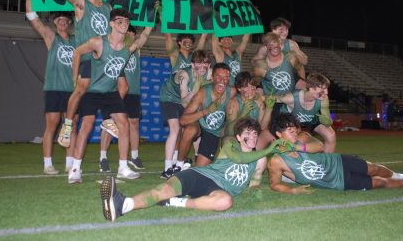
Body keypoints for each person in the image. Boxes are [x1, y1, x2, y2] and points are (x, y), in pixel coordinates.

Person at [100, 117, 294, 221]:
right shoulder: (230, 145)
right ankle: (122, 204)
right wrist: (268, 149)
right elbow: (240, 158)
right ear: (238, 137)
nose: (252, 137)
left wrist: (255, 192)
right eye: (247, 133)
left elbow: (255, 183)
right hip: (199, 175)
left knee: (225, 202)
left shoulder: (259, 161)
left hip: (219, 189)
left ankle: (175, 203)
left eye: (255, 133)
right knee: (163, 190)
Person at [67, 8, 152, 183]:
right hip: (93, 91)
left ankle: (123, 167)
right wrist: (74, 78)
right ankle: (75, 169)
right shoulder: (98, 42)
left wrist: (153, 15)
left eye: (126, 22)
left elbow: (143, 37)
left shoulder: (129, 48)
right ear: (111, 23)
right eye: (119, 21)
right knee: (86, 126)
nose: (123, 24)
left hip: (111, 92)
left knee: (124, 124)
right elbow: (77, 52)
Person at [267, 113, 403, 194]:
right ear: (278, 134)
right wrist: (293, 191)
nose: (295, 133)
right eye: (290, 131)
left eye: (295, 129)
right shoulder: (276, 160)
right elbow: (274, 184)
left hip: (338, 161)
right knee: (378, 182)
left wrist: (297, 147)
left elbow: (319, 146)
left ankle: (400, 174)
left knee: (374, 168)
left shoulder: (302, 138)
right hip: (336, 181)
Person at [58, 0, 113, 148]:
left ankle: (109, 118)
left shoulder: (107, 7)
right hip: (88, 57)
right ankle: (67, 124)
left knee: (121, 85)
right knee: (82, 88)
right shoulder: (82, 4)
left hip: (104, 60)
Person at [25, 0, 78, 175]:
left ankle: (70, 164)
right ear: (55, 23)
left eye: (66, 20)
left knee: (71, 127)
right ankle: (47, 164)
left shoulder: (76, 40)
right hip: (54, 88)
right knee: (52, 125)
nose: (63, 22)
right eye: (59, 20)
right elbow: (32, 16)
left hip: (73, 90)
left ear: (70, 23)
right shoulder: (50, 37)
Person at [98, 24, 152, 172]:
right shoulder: (116, 49)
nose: (130, 36)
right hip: (116, 91)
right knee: (111, 125)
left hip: (133, 92)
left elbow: (145, 36)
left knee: (133, 123)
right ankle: (103, 158)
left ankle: (134, 157)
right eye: (127, 33)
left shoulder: (136, 50)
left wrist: (150, 23)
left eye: (132, 34)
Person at [159, 50, 212, 178]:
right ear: (192, 65)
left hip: (188, 100)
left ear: (209, 65)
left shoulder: (209, 73)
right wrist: (195, 88)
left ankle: (194, 161)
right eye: (199, 64)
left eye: (205, 64)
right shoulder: (184, 75)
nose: (202, 68)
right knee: (175, 129)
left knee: (196, 128)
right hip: (170, 98)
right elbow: (184, 103)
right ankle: (167, 168)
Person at [175, 63, 235, 171]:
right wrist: (206, 111)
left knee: (200, 171)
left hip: (213, 132)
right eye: (219, 77)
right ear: (212, 77)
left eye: (226, 77)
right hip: (199, 125)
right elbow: (183, 120)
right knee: (190, 130)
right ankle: (178, 165)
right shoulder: (202, 93)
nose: (222, 80)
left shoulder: (232, 92)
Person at [258, 72, 336, 152]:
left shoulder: (324, 99)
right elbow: (270, 98)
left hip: (311, 117)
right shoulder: (292, 98)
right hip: (290, 119)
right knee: (288, 137)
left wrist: (327, 121)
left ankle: (328, 161)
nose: (326, 92)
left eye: (327, 88)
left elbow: (328, 121)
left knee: (331, 135)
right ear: (312, 88)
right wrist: (256, 97)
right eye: (323, 89)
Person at [252, 17, 308, 89]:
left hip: (289, 76)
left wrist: (296, 54)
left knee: (298, 66)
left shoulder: (291, 44)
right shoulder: (265, 48)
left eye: (286, 29)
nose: (285, 32)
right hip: (271, 77)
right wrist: (259, 63)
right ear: (273, 30)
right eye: (281, 30)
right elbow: (253, 62)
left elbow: (305, 62)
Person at [224, 71, 273, 137]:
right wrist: (244, 113)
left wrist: (269, 109)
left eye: (252, 85)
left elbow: (262, 127)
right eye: (246, 86)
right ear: (239, 88)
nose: (251, 89)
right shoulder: (233, 103)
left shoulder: (258, 101)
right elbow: (229, 131)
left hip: (252, 136)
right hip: (236, 137)